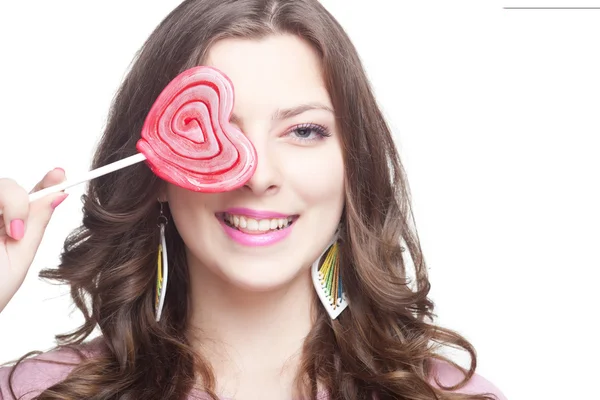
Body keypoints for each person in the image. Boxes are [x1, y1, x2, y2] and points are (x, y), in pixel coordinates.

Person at [0, 1, 507, 399]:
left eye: (304, 130)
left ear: (353, 167)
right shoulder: (38, 393)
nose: (258, 174)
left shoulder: (451, 397)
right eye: (214, 132)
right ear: (155, 171)